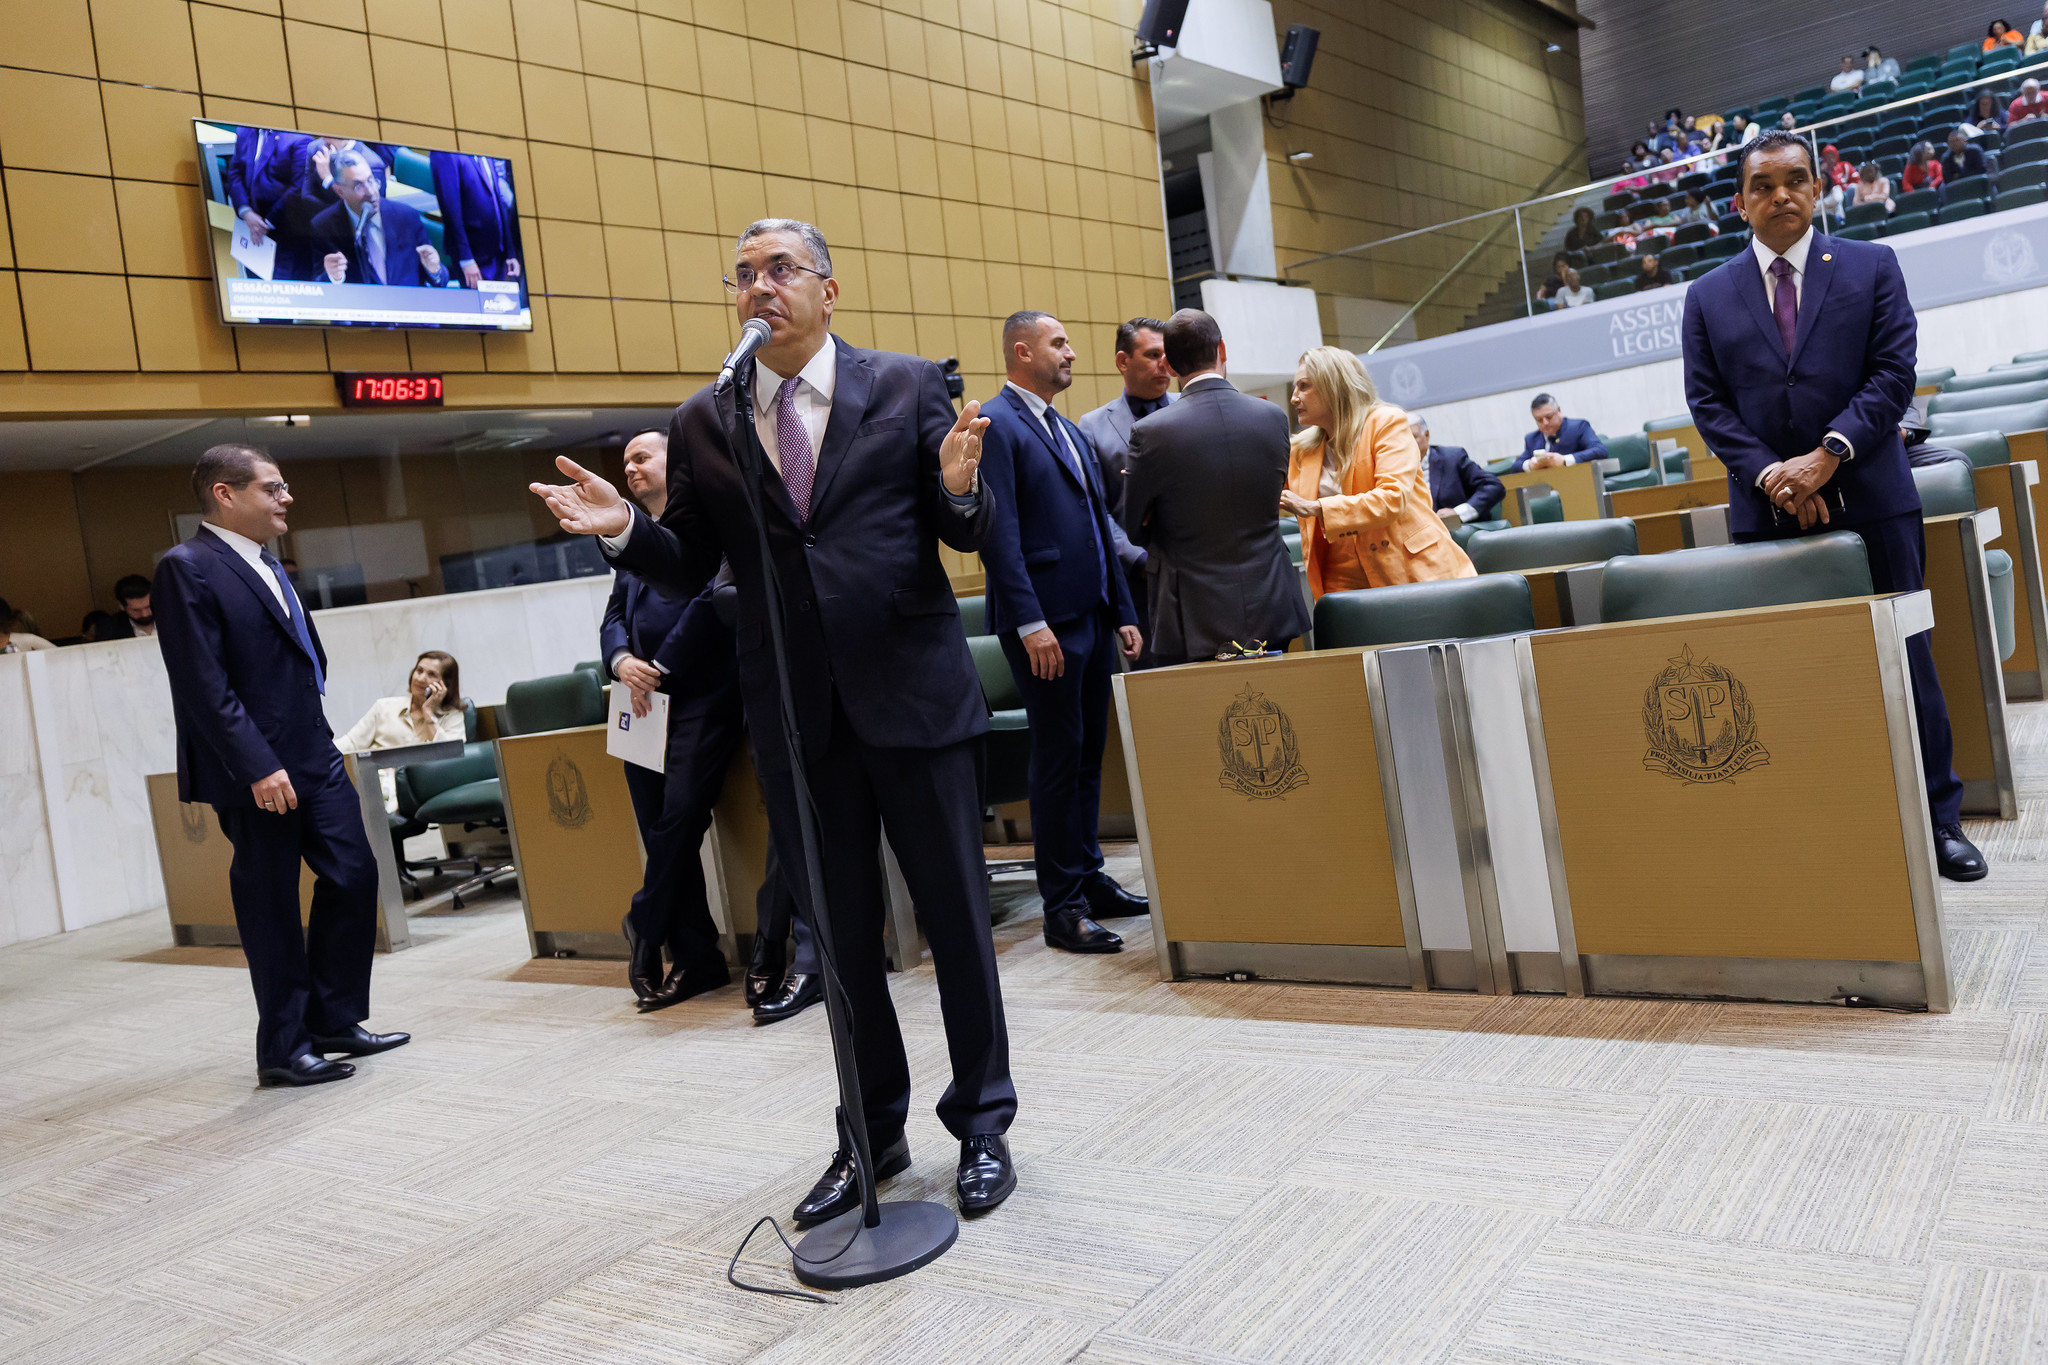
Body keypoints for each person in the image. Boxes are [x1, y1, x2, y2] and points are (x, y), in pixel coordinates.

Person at [529, 217, 1019, 1223]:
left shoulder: (905, 385)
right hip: (797, 714)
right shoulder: (706, 415)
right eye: (744, 273)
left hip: (914, 696)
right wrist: (624, 530)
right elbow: (689, 561)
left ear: (826, 290)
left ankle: (981, 1123)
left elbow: (958, 527)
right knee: (839, 940)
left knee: (956, 924)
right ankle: (870, 1132)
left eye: (781, 269)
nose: (761, 286)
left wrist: (959, 487)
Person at [1680, 129, 1984, 883]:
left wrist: (1826, 458)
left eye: (1794, 180)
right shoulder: (1706, 295)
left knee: (1908, 658)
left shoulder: (1871, 266)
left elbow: (1893, 373)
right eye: (1762, 185)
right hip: (1767, 511)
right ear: (1739, 203)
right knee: (1793, 672)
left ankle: (1939, 820)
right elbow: (1708, 405)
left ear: (1818, 189)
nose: (1780, 195)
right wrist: (1773, 477)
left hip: (1874, 496)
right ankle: (1826, 824)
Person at [152, 445, 410, 1087]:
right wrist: (256, 765)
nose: (286, 497)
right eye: (273, 487)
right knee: (270, 903)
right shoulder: (187, 567)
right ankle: (283, 1048)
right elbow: (202, 684)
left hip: (313, 752)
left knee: (355, 873)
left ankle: (334, 1019)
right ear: (225, 494)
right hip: (256, 768)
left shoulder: (267, 561)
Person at [978, 311, 1145, 955]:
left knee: (1085, 757)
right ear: (1022, 352)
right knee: (1055, 762)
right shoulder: (997, 424)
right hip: (1044, 625)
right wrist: (1030, 622)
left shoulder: (1068, 429)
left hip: (1093, 616)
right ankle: (1062, 906)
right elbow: (998, 535)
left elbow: (1100, 527)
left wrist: (1122, 609)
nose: (1071, 352)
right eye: (1059, 343)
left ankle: (1089, 876)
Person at [597, 430, 752, 1015]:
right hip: (638, 703)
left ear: (675, 461)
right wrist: (621, 660)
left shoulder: (707, 520)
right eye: (626, 462)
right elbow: (613, 616)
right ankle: (695, 958)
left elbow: (712, 598)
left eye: (642, 457)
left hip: (701, 693)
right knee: (657, 825)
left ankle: (644, 919)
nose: (630, 468)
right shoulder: (633, 534)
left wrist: (661, 665)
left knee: (682, 816)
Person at [1120, 309, 1311, 664]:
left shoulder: (1150, 433)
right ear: (1222, 348)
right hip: (1270, 596)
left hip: (1191, 612)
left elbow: (1134, 529)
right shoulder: (1272, 418)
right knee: (1279, 699)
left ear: (1170, 366)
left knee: (1206, 702)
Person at [1281, 348, 1476, 599]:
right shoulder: (1300, 450)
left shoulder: (1386, 422)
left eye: (1304, 386)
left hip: (1413, 569)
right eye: (1295, 388)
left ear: (1334, 385)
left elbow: (1392, 498)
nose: (1294, 398)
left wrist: (1318, 507)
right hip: (1340, 579)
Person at [1076, 315, 1172, 658]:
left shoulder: (1191, 408)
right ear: (1122, 361)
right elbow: (1096, 508)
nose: (1165, 365)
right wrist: (1139, 560)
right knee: (1154, 680)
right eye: (1153, 355)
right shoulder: (1092, 426)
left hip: (1199, 575)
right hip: (1138, 580)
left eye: (1168, 355)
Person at [312, 149, 450, 288]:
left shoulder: (406, 217)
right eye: (359, 186)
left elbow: (440, 280)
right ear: (340, 191)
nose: (371, 192)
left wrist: (434, 270)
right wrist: (333, 277)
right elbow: (315, 287)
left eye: (371, 180)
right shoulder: (324, 227)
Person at [333, 651, 465, 751]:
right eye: (419, 671)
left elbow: (450, 753)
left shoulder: (452, 717)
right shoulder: (384, 707)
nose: (421, 678)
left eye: (432, 674)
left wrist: (429, 713)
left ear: (445, 685)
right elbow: (352, 742)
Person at [429, 150, 523, 289]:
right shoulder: (444, 153)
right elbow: (450, 210)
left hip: (498, 254)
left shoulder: (484, 151)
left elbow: (497, 201)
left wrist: (510, 252)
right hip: (473, 257)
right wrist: (466, 259)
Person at [222, 125, 310, 259]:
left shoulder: (300, 139)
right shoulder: (244, 131)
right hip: (249, 227)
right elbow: (235, 173)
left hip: (285, 231)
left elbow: (298, 187)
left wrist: (266, 224)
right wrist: (245, 211)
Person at [1411, 414, 1505, 527]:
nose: (1408, 444)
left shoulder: (1452, 458)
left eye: (1413, 437)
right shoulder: (1394, 468)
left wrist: (1458, 513)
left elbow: (1493, 486)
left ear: (1426, 435)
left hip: (1453, 530)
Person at [1513, 394, 1608, 472]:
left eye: (1549, 417)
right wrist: (1530, 465)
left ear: (1558, 410)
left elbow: (1600, 451)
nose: (1545, 423)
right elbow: (1516, 466)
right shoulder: (1532, 439)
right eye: (1539, 420)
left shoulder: (1578, 427)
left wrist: (1564, 460)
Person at [96, 574, 157, 639]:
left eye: (148, 607)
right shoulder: (109, 629)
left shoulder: (165, 617)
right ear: (122, 606)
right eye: (136, 610)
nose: (144, 614)